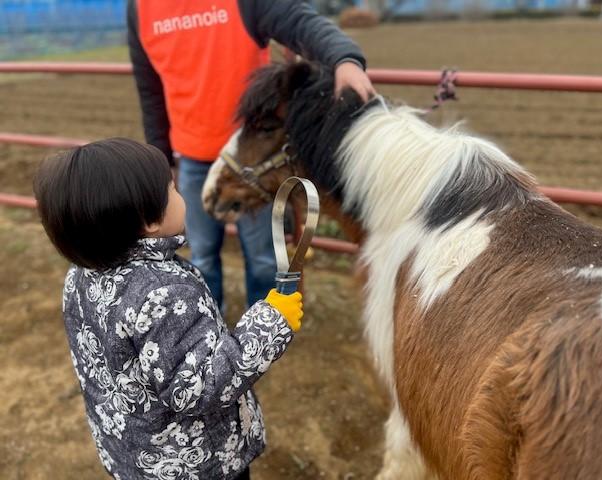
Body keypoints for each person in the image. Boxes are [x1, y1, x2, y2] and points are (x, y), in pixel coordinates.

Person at [33, 138, 304, 480]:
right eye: (172, 190)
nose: (181, 198)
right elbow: (199, 387)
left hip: (133, 454)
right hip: (197, 464)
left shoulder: (80, 276)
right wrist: (270, 323)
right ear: (148, 222)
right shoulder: (165, 293)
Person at [127, 0, 375, 310]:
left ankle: (264, 336)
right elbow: (150, 92)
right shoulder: (140, 9)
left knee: (262, 259)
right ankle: (205, 331)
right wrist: (160, 165)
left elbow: (299, 21)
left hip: (253, 158)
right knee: (201, 254)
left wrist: (345, 59)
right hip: (192, 156)